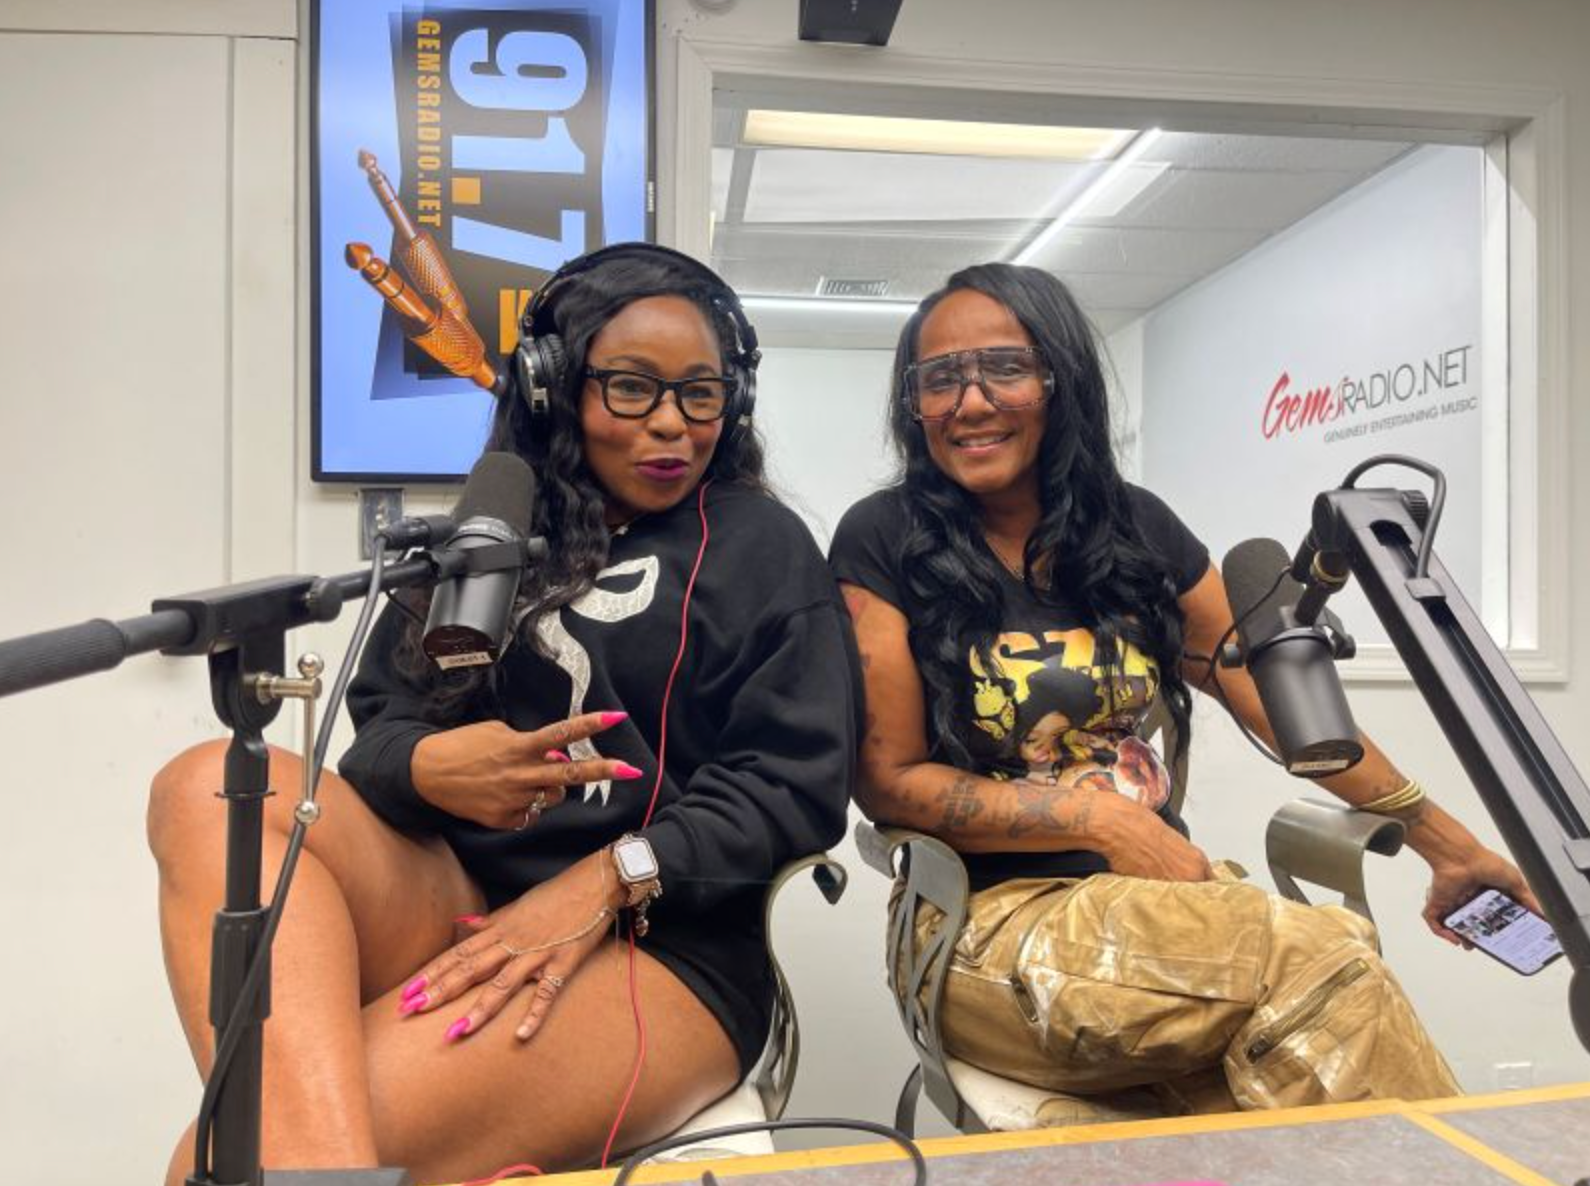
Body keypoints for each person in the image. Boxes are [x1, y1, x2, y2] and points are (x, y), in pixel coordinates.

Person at [147, 244, 860, 1182]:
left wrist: (606, 876)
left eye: (701, 394)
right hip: (456, 899)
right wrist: (427, 767)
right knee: (208, 785)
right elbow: (380, 734)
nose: (673, 424)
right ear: (552, 387)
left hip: (659, 947)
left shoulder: (761, 545)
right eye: (632, 388)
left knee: (214, 1166)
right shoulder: (488, 535)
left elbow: (793, 789)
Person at [830, 261, 1537, 1113]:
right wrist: (1098, 819)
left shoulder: (1136, 529)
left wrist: (1449, 847)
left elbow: (1283, 711)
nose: (970, 402)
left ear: (1059, 380)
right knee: (1319, 958)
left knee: (1311, 1043)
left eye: (1004, 368)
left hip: (1159, 911)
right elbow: (888, 781)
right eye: (940, 379)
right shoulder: (884, 539)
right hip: (986, 926)